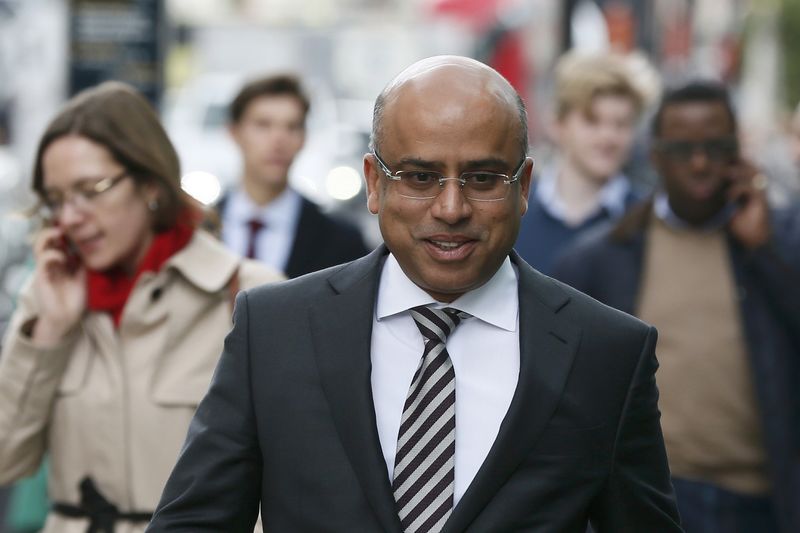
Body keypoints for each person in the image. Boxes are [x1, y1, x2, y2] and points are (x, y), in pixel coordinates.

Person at [146, 55, 680, 532]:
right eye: (420, 177)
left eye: (483, 177)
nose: (451, 208)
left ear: (523, 187)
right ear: (374, 185)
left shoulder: (607, 353)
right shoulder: (274, 330)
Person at [0, 81, 283, 533]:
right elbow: (7, 459)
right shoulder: (51, 297)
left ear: (150, 183)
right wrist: (50, 332)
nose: (70, 216)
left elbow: (289, 480)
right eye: (56, 200)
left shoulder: (247, 295)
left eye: (90, 189)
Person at [554, 81, 800, 532]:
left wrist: (766, 249)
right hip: (649, 500)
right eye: (683, 148)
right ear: (656, 155)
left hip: (760, 503)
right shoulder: (601, 258)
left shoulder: (778, 237)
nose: (701, 162)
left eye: (715, 146)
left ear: (738, 151)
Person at [217, 73, 370, 278]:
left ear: (304, 138)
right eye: (263, 125)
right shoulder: (194, 231)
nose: (278, 139)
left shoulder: (341, 241)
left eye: (292, 127)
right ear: (234, 133)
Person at [514, 50, 648, 275]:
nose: (608, 137)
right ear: (557, 125)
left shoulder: (645, 220)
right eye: (592, 121)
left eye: (621, 124)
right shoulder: (515, 214)